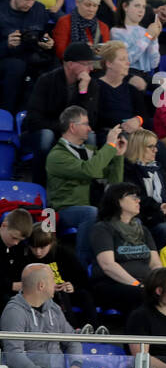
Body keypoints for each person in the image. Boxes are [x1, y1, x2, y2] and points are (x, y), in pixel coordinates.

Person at [47, 106, 126, 265]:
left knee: (126, 218)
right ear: (72, 126)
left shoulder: (89, 151)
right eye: (86, 124)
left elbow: (114, 182)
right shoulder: (57, 156)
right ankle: (81, 264)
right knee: (90, 213)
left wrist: (118, 156)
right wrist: (109, 145)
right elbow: (90, 170)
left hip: (89, 209)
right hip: (63, 210)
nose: (90, 129)